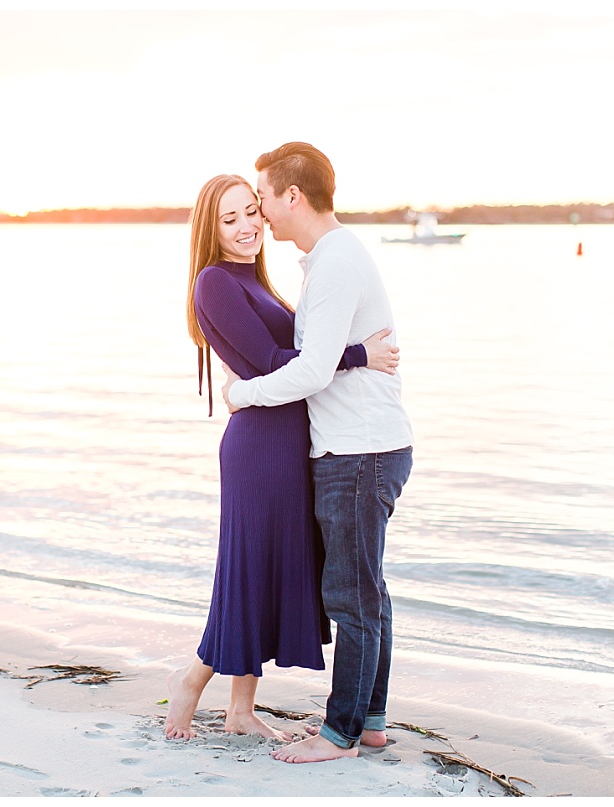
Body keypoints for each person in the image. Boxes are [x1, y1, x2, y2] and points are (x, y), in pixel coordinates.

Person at [166, 174, 399, 742]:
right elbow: (276, 361)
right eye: (230, 219)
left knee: (267, 575)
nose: (248, 226)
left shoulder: (257, 280)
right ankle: (189, 687)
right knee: (246, 575)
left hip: (289, 442)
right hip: (259, 450)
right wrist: (359, 354)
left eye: (252, 212)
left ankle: (242, 711)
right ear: (209, 228)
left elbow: (293, 359)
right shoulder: (215, 282)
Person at [220, 143, 414, 764]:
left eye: (264, 199)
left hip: (360, 452)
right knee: (366, 591)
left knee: (352, 597)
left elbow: (310, 371)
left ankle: (341, 735)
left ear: (291, 196)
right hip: (362, 447)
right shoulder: (328, 258)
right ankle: (371, 721)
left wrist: (242, 393)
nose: (261, 214)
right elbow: (329, 360)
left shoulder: (333, 264)